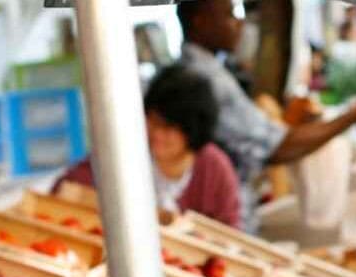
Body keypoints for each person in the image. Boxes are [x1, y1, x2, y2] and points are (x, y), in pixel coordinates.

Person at [176, 0, 356, 229]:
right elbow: (277, 147)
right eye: (229, 15)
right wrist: (355, 114)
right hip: (224, 223)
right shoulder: (206, 78)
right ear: (199, 21)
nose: (239, 23)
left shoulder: (202, 71)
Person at [52, 65, 242, 228]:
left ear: (192, 131)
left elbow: (228, 234)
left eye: (169, 128)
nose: (157, 134)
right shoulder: (126, 151)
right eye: (153, 122)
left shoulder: (215, 169)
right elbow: (67, 188)